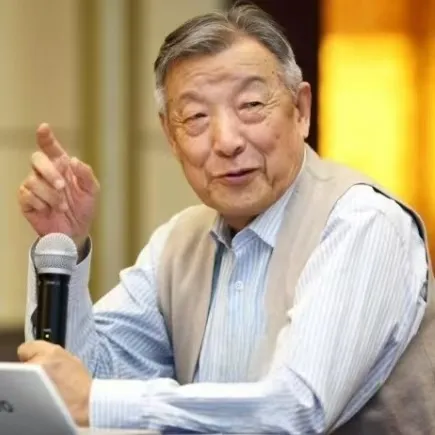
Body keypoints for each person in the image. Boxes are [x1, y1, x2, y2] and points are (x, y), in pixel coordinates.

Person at [16, 3, 435, 434]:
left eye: (251, 104)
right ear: (171, 138)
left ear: (301, 110)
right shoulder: (178, 243)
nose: (227, 141)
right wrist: (62, 244)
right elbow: (86, 383)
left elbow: (295, 407)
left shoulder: (362, 223)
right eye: (196, 117)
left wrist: (96, 401)